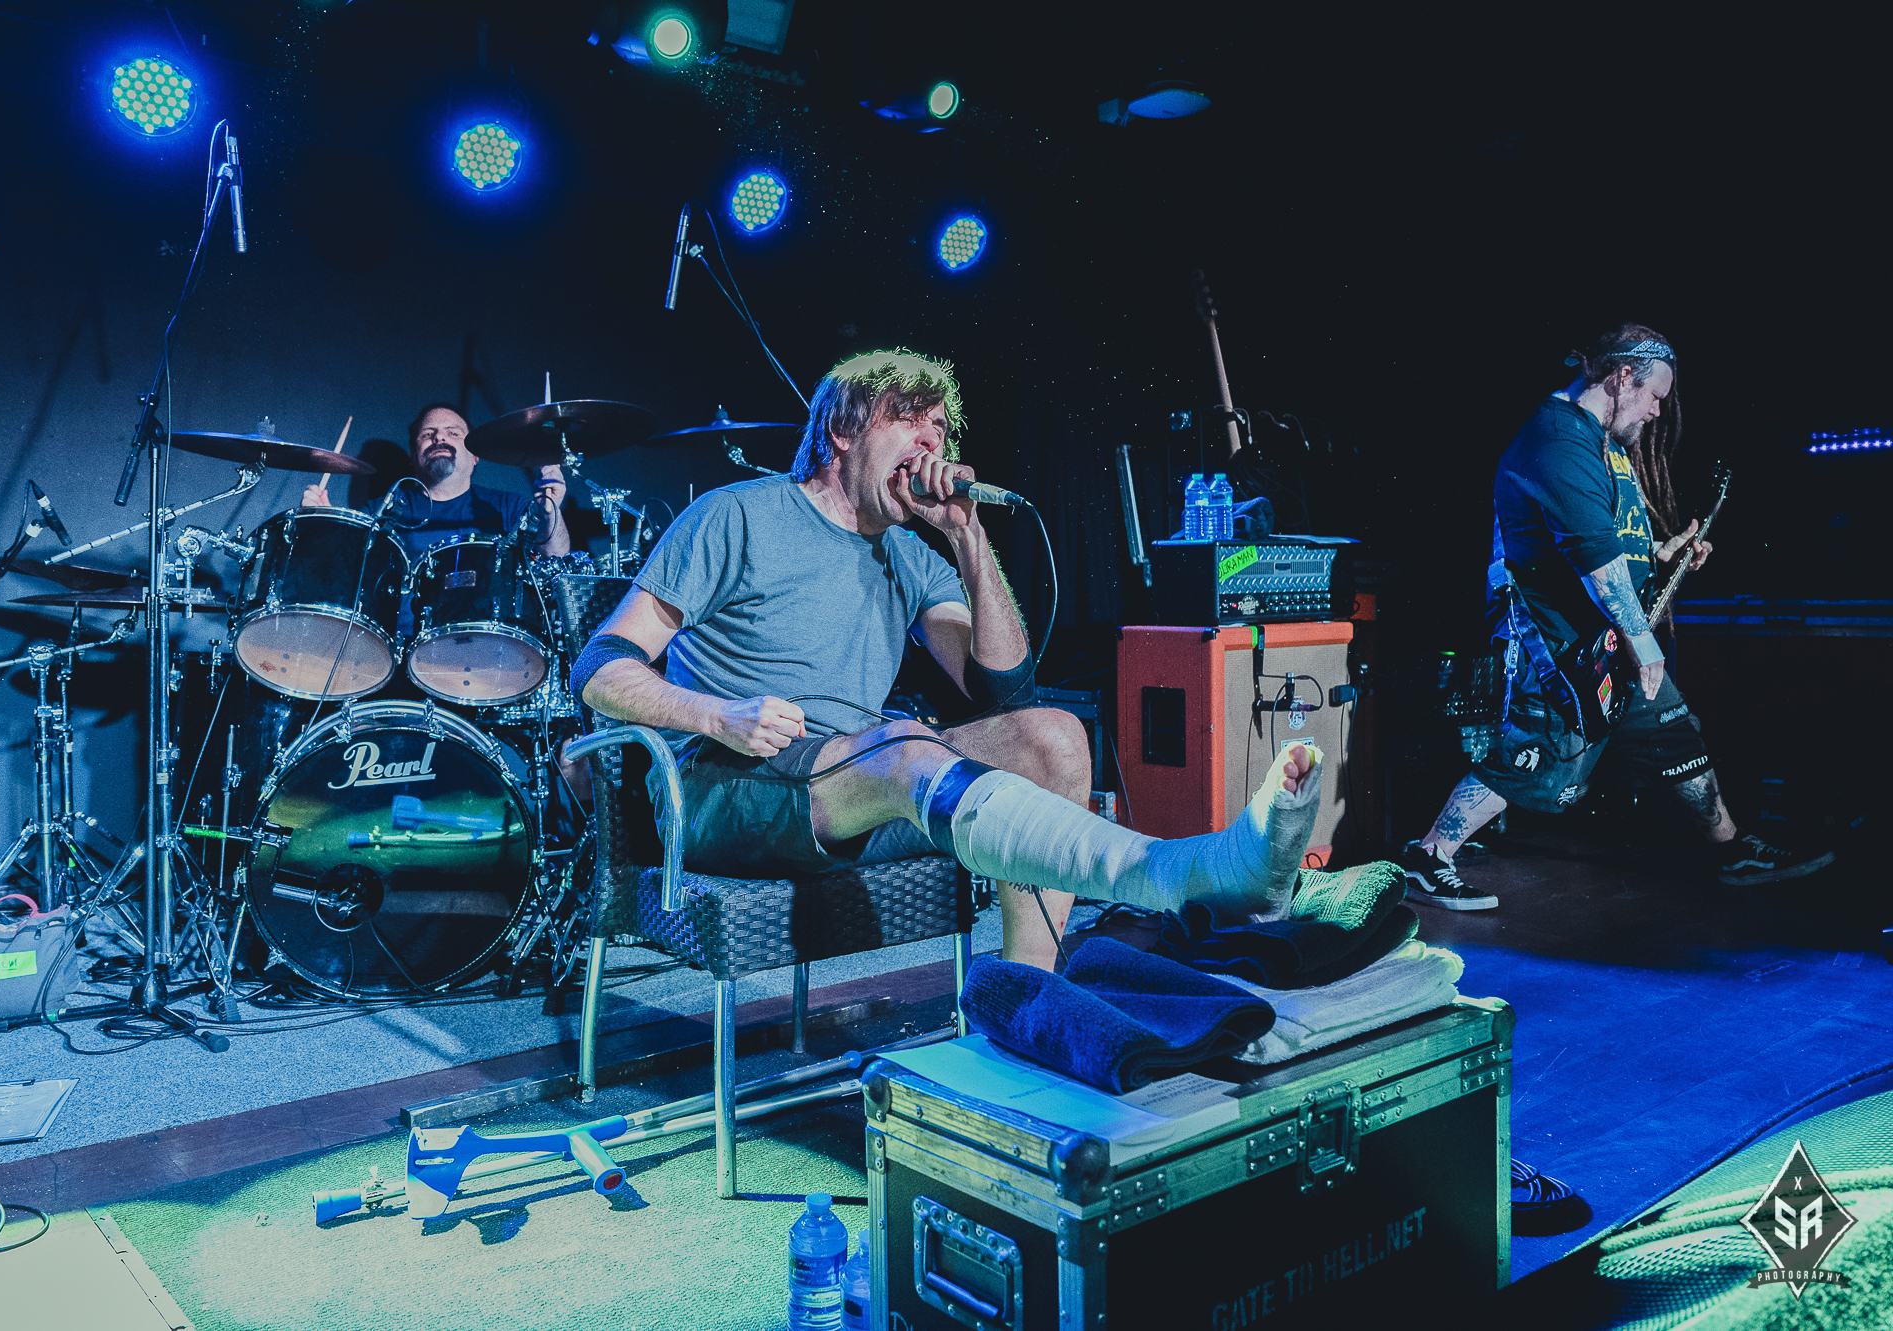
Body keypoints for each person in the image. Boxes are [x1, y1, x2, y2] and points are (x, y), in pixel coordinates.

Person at [571, 350, 1326, 971]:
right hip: (726, 789)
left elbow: (1005, 691)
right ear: (841, 429)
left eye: (939, 427)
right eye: (909, 419)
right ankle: (1173, 873)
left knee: (1055, 739)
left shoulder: (909, 554)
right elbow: (599, 667)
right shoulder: (737, 515)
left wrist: (967, 536)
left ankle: (1026, 993)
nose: (931, 442)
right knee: (904, 745)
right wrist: (717, 715)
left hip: (860, 785)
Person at [1397, 324, 1834, 909]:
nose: (1657, 411)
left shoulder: (1608, 446)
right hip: (1557, 636)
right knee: (1541, 756)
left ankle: (1732, 850)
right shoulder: (1557, 440)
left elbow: (1614, 543)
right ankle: (1428, 856)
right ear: (1622, 376)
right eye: (1655, 395)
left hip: (1608, 634)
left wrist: (1663, 553)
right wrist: (1641, 639)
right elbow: (1593, 558)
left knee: (1674, 736)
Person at [302, 403, 572, 560]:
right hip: (398, 640)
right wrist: (323, 526)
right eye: (427, 434)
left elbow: (556, 556)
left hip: (490, 638)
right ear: (413, 455)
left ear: (475, 455)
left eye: (453, 433)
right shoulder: (381, 511)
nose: (439, 438)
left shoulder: (507, 507)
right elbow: (341, 570)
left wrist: (551, 512)